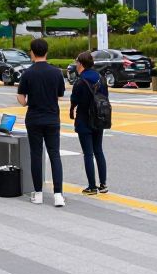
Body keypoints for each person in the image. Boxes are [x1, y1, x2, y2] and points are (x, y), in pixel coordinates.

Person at [17, 38, 66, 207]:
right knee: (54, 155)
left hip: (34, 119)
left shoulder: (27, 73)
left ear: (32, 52)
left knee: (36, 155)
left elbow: (21, 98)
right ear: (46, 52)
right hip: (52, 118)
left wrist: (27, 102)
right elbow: (60, 95)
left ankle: (38, 193)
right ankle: (58, 195)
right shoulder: (56, 72)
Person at [69, 50, 108, 195]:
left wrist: (72, 110)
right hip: (99, 118)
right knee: (99, 151)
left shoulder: (80, 81)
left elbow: (74, 100)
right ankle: (103, 185)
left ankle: (91, 186)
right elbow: (105, 97)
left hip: (84, 119)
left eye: (76, 62)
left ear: (81, 64)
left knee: (88, 154)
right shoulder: (100, 77)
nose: (76, 65)